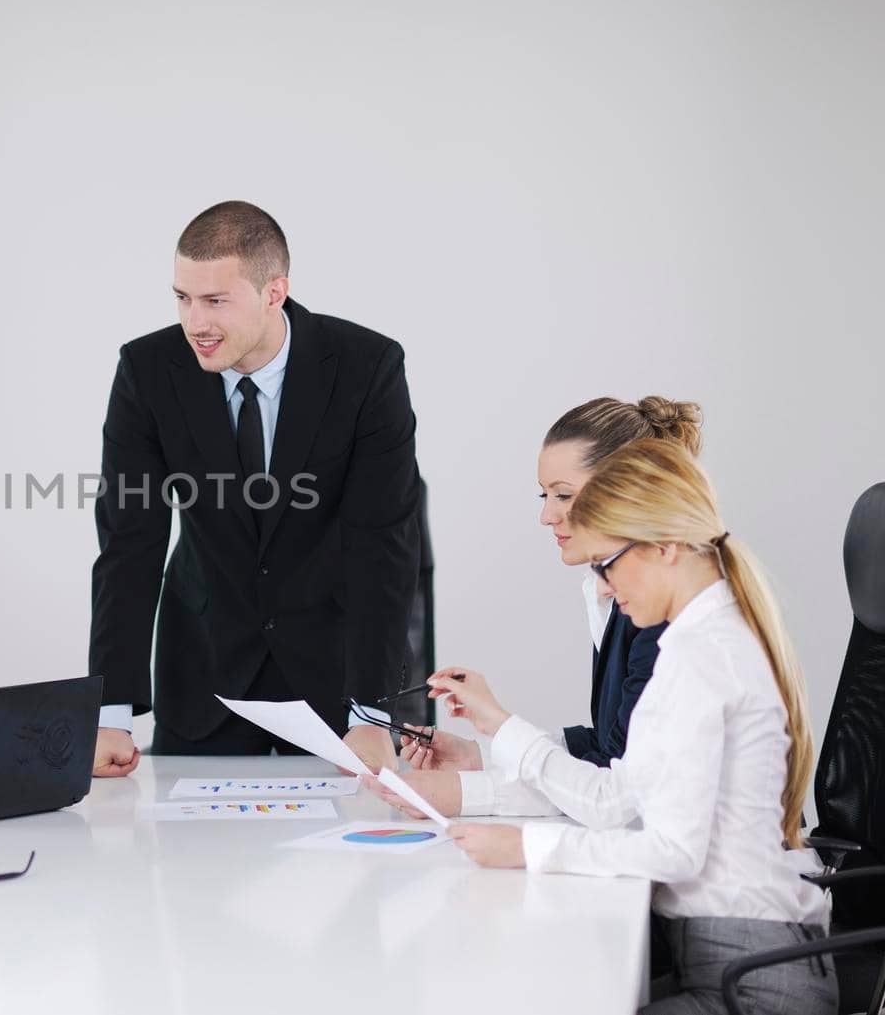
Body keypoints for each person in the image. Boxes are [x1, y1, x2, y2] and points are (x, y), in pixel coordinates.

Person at [422, 440, 834, 1015]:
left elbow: (673, 853)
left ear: (664, 547)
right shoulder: (699, 640)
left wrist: (527, 846)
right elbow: (621, 797)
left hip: (755, 981)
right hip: (743, 960)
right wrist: (495, 740)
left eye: (607, 565)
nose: (605, 589)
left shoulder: (704, 657)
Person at [90, 201, 424, 775]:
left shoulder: (367, 366)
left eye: (215, 301)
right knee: (192, 860)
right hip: (204, 672)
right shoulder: (148, 369)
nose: (195, 322)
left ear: (275, 292)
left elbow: (381, 543)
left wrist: (372, 715)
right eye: (183, 298)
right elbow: (129, 542)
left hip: (338, 676)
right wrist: (109, 714)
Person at [385, 397, 702, 818]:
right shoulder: (613, 595)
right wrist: (481, 755)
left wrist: (474, 777)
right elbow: (614, 746)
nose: (546, 515)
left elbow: (620, 796)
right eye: (545, 494)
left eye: (563, 495)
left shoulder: (664, 610)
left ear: (627, 492)